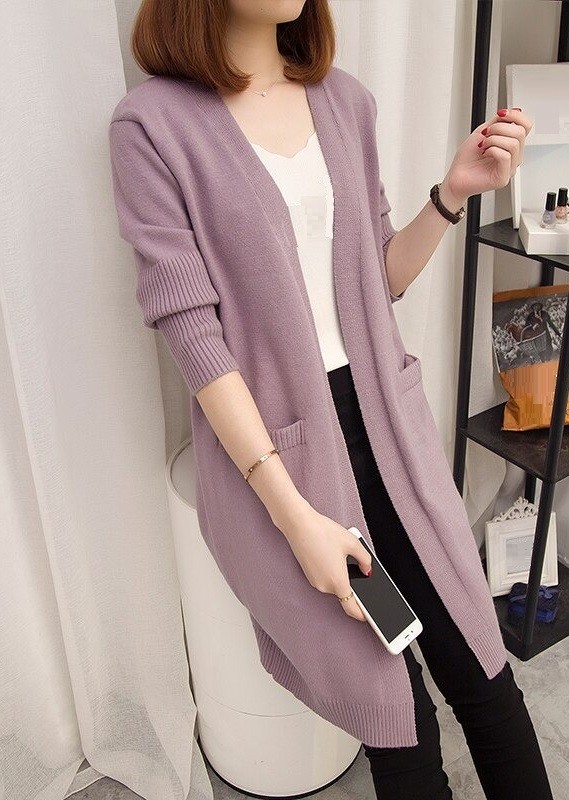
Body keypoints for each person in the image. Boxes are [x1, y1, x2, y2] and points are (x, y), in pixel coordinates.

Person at [108, 1, 553, 798]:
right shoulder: (153, 126)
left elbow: (373, 282)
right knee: (399, 724)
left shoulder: (344, 101)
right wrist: (296, 520)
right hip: (290, 464)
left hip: (391, 439)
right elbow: (195, 339)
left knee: (484, 678)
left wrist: (451, 194)